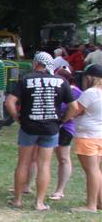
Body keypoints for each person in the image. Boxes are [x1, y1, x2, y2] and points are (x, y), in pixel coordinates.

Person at [5, 52, 74, 210]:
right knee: (44, 165)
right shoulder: (61, 81)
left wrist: (17, 118)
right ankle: (39, 203)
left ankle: (18, 200)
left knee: (23, 163)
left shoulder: (26, 79)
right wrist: (62, 120)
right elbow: (74, 107)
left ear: (36, 63)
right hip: (51, 128)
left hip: (28, 126)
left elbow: (10, 102)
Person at [62, 63, 102, 212]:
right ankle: (99, 201)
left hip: (87, 136)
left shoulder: (91, 93)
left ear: (90, 78)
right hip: (99, 134)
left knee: (91, 171)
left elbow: (76, 110)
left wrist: (63, 119)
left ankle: (90, 205)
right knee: (96, 170)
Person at [50, 67, 82, 201]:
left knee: (63, 157)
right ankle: (26, 185)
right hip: (50, 126)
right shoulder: (56, 89)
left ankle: (60, 190)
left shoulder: (77, 92)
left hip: (65, 128)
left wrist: (64, 120)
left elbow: (77, 110)